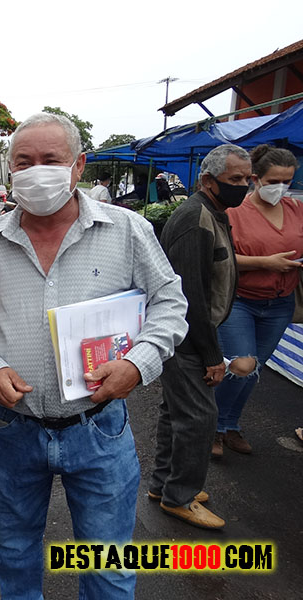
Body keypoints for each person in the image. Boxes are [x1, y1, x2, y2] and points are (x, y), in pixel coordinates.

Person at [0, 112, 188, 600]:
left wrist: (137, 364)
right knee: (15, 551)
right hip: (15, 427)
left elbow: (170, 303)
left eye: (51, 159)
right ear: (10, 170)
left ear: (78, 165)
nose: (36, 171)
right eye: (24, 162)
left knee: (108, 567)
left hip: (99, 427)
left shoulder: (128, 230)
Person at [148, 144, 251, 530]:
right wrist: (212, 355)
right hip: (186, 336)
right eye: (236, 178)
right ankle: (180, 496)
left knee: (176, 412)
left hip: (190, 332)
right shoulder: (195, 219)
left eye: (248, 178)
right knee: (200, 417)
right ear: (208, 180)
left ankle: (164, 485)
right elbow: (190, 296)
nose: (244, 185)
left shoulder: (214, 212)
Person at [212, 145, 301, 457]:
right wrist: (266, 263)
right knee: (240, 365)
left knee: (254, 370)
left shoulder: (295, 209)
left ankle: (229, 424)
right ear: (255, 179)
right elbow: (219, 258)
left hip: (280, 303)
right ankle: (212, 426)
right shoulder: (233, 212)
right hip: (240, 301)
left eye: (287, 181)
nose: (281, 188)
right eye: (274, 181)